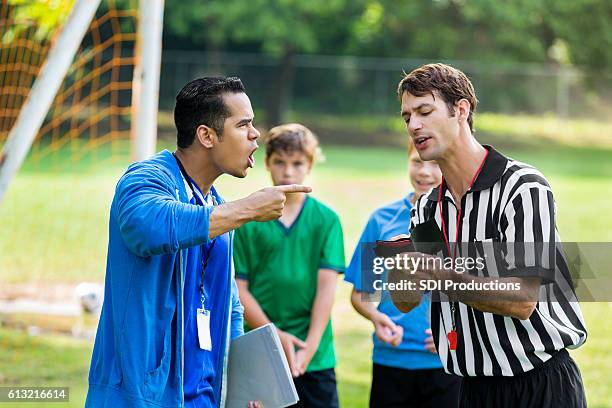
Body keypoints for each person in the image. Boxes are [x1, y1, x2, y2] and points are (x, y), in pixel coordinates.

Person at [85, 76, 309, 408]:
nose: (255, 134)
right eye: (243, 124)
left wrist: (240, 386)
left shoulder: (216, 203)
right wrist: (245, 209)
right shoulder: (146, 178)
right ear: (206, 135)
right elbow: (146, 225)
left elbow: (230, 305)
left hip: (205, 399)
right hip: (141, 398)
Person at [391, 63, 587, 407]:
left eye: (424, 111)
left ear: (461, 109)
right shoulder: (425, 209)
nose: (414, 125)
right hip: (472, 389)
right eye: (407, 117)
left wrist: (439, 273)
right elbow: (407, 300)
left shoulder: (522, 187)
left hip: (539, 385)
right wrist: (402, 277)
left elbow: (523, 298)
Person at [233, 123, 345, 408]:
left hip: (313, 354)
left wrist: (310, 346)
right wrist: (274, 335)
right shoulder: (249, 220)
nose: (288, 171)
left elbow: (326, 291)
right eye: (280, 162)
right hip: (261, 347)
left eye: (297, 163)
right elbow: (239, 289)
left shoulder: (326, 220)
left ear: (309, 164)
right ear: (267, 163)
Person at [346, 140, 461, 408]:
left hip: (446, 363)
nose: (425, 172)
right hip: (390, 360)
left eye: (435, 164)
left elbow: (484, 292)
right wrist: (376, 318)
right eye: (417, 161)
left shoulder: (463, 221)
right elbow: (360, 294)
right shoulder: (381, 220)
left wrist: (457, 333)